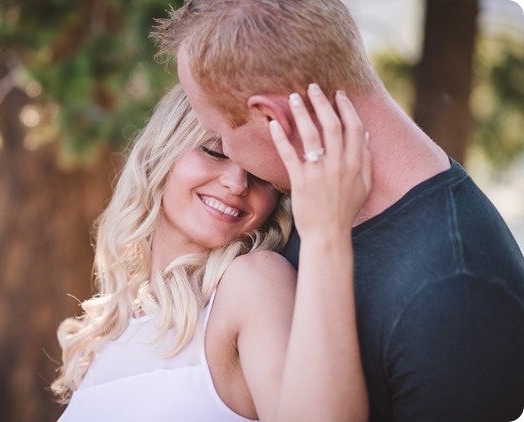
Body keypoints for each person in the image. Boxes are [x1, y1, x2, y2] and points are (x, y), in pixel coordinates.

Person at [152, 1, 524, 421]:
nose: (233, 167)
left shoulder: (458, 294)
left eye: (219, 133)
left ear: (272, 118)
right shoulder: (287, 209)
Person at [52, 83, 372, 421]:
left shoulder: (251, 284)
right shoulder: (107, 333)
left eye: (263, 175)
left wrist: (327, 236)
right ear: (162, 151)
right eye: (215, 153)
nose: (237, 183)